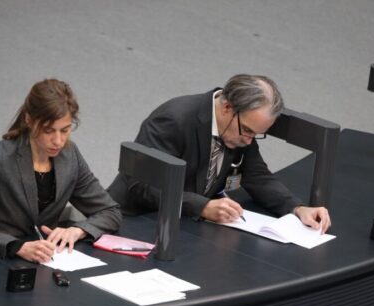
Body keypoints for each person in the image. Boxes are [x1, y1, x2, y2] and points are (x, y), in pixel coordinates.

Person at [107, 74, 331, 233]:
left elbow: (257, 176)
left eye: (257, 135)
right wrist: (202, 206)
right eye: (248, 131)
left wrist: (297, 208)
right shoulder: (174, 119)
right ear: (227, 108)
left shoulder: (240, 128)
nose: (249, 141)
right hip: (135, 219)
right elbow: (142, 186)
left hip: (183, 223)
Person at [0, 78, 121, 263]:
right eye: (49, 130)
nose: (58, 141)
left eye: (65, 130)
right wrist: (16, 246)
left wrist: (78, 230)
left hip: (46, 262)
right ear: (29, 120)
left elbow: (110, 211)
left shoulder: (70, 156)